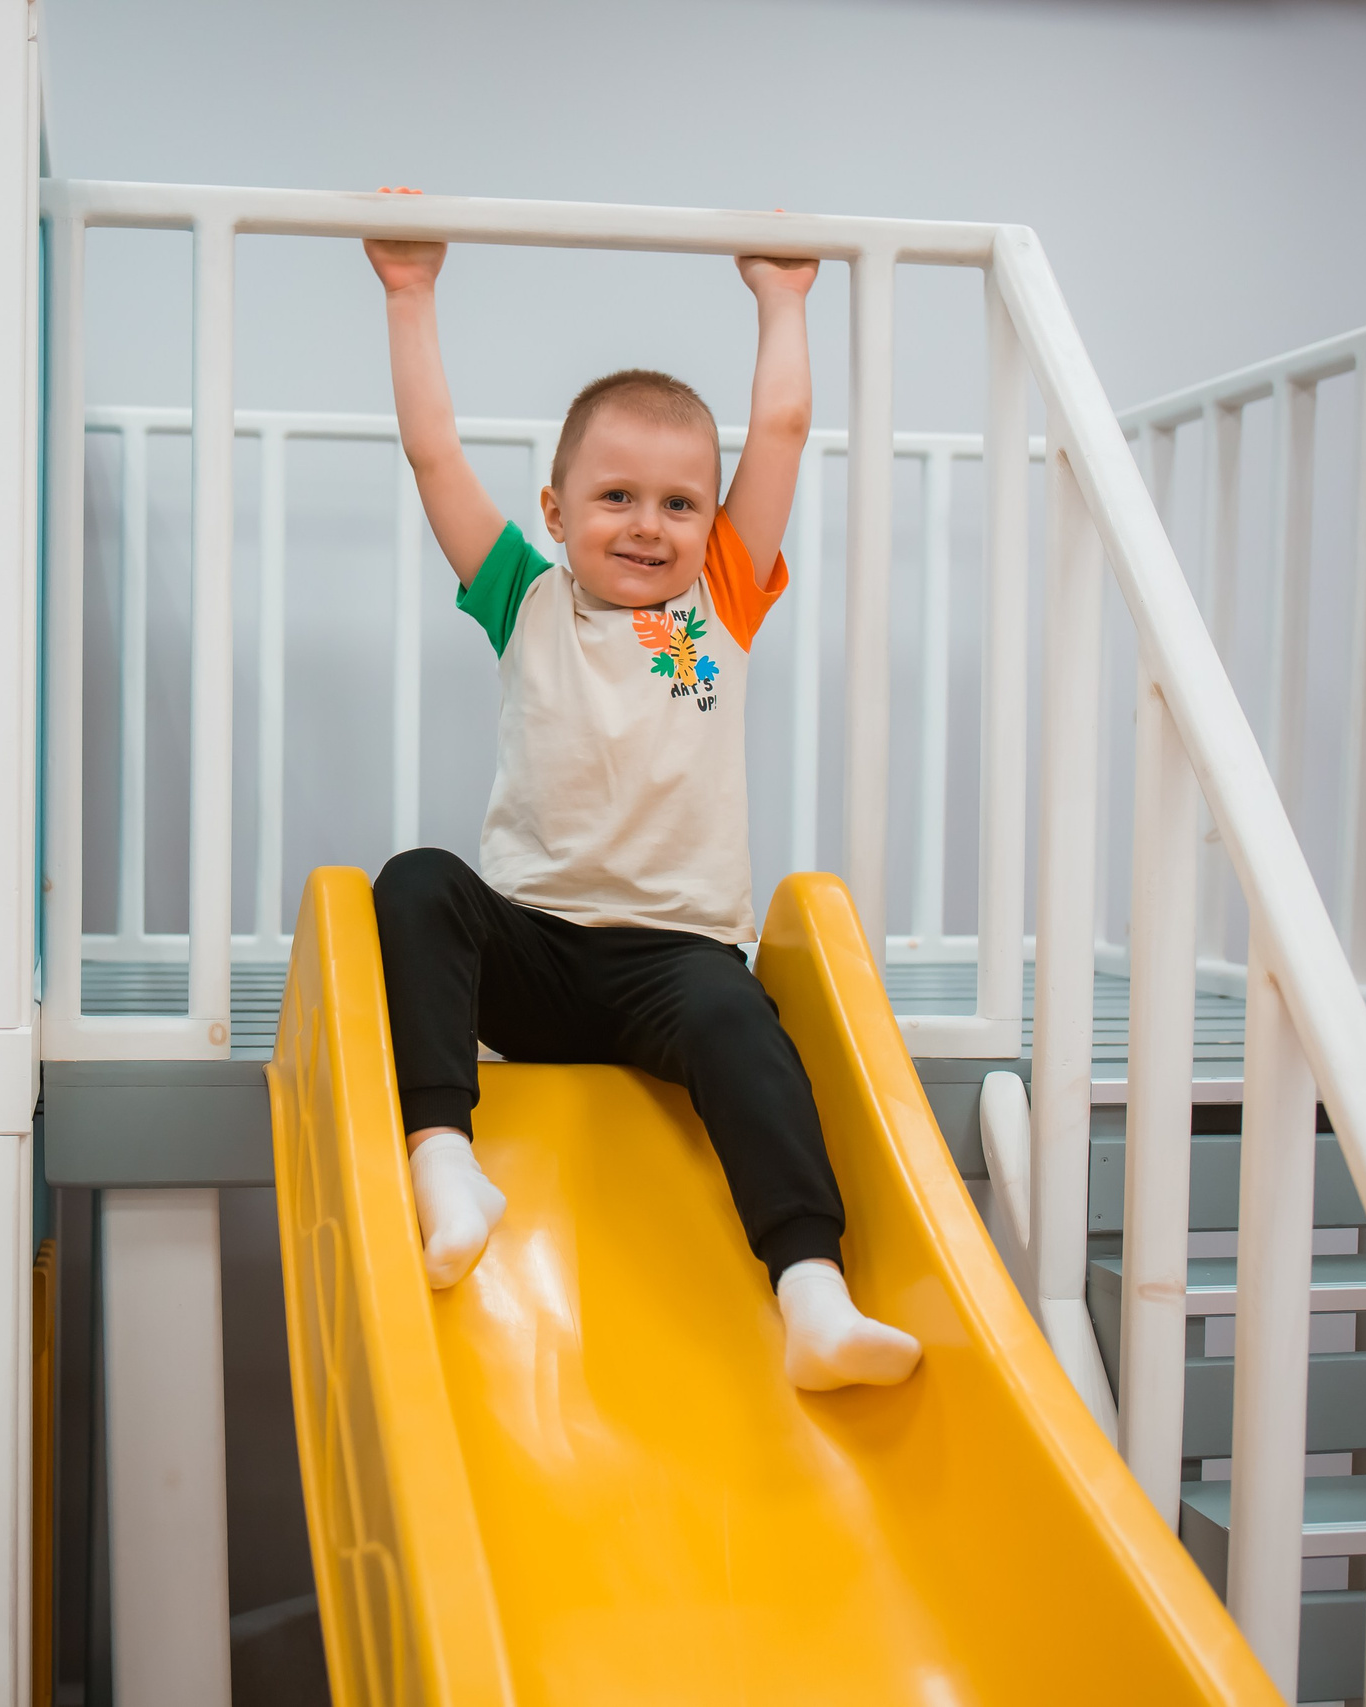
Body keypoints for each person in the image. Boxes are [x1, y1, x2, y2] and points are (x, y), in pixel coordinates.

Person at [362, 197, 920, 1392]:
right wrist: (410, 295)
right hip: (533, 956)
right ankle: (443, 1159)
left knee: (743, 1023)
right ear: (555, 513)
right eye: (615, 497)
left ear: (712, 524)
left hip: (674, 968)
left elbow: (782, 428)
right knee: (415, 884)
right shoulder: (524, 599)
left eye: (679, 503)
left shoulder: (719, 609)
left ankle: (811, 1294)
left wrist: (781, 299)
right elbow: (434, 455)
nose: (648, 526)